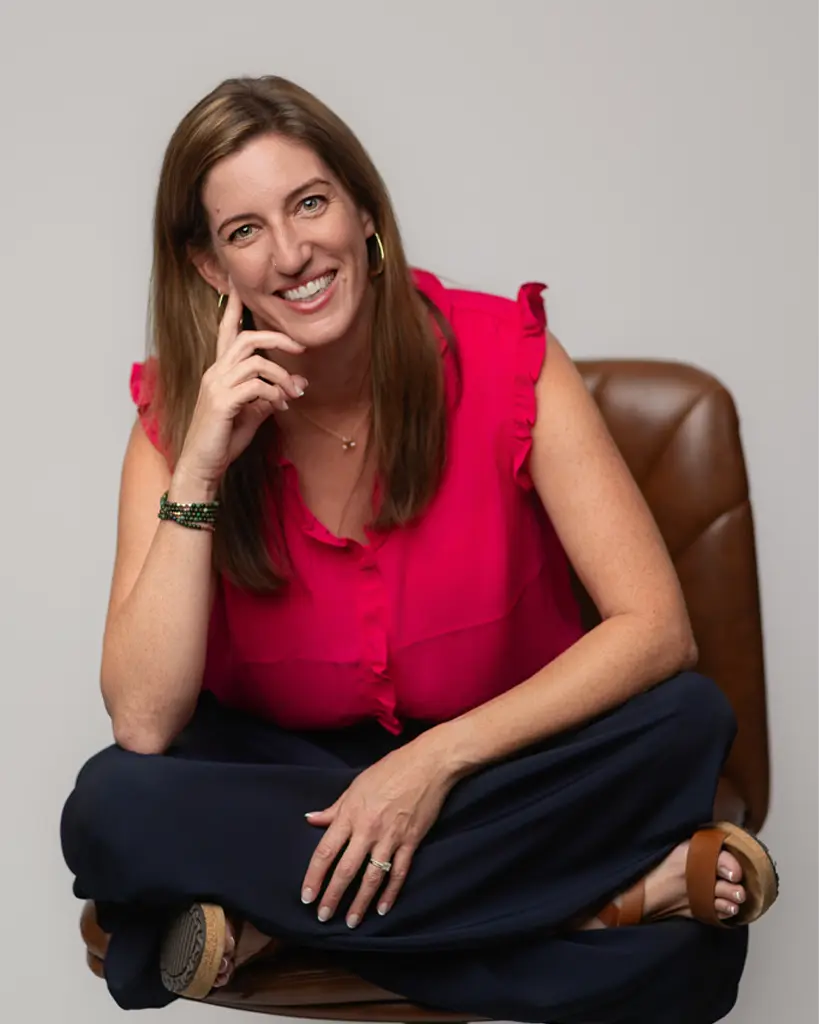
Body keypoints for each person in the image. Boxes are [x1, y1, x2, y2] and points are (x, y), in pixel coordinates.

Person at [60, 75, 778, 1024]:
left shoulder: (505, 353)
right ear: (208, 270)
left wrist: (432, 766)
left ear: (363, 210)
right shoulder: (177, 422)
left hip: (507, 759)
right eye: (245, 232)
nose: (291, 252)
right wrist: (196, 472)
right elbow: (145, 723)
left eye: (310, 203)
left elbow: (654, 631)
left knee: (685, 721)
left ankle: (273, 917)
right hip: (303, 782)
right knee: (111, 809)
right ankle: (612, 909)